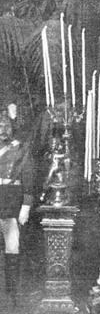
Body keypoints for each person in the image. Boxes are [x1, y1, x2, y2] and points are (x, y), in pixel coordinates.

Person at [0, 111, 34, 308]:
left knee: (12, 247)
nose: (2, 130)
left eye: (5, 126)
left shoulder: (20, 149)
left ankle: (13, 296)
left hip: (10, 204)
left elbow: (28, 178)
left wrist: (26, 206)